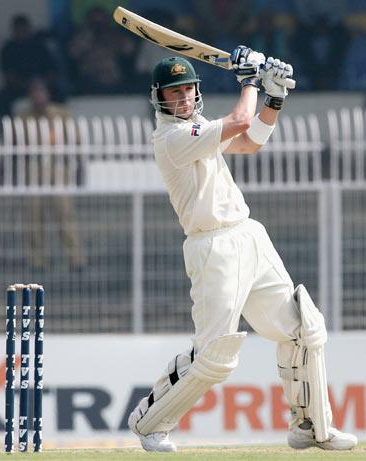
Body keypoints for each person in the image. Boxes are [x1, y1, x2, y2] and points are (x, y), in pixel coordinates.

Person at [127, 48, 358, 452]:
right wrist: (249, 81)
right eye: (172, 93)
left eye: (186, 90)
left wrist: (274, 98)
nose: (181, 98)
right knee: (215, 358)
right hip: (212, 247)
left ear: (197, 91)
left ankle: (310, 426)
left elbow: (250, 141)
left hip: (249, 234)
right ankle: (149, 422)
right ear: (158, 99)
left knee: (304, 328)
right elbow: (239, 120)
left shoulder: (199, 126)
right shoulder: (171, 138)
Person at [18, 78, 84, 270]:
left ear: (48, 93)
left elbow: (75, 139)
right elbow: (16, 143)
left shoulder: (61, 114)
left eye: (41, 91)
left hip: (57, 166)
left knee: (64, 213)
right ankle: (37, 261)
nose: (38, 96)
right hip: (32, 167)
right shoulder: (23, 117)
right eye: (34, 92)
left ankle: (75, 259)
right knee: (33, 215)